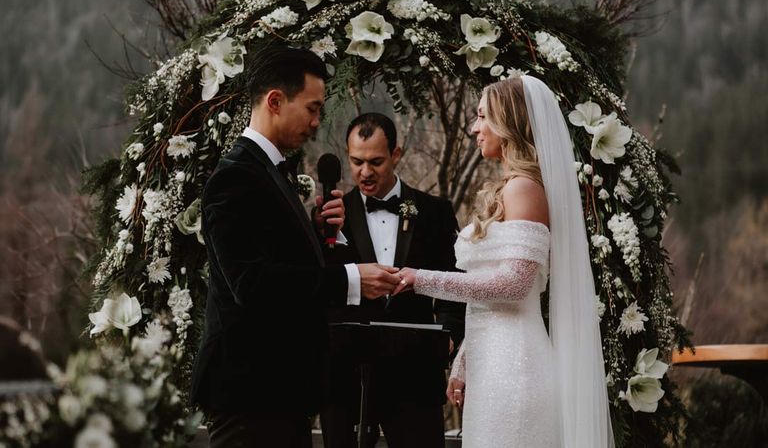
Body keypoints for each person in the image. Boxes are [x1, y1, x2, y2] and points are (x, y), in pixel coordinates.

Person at [190, 45, 403, 448]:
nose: (317, 122)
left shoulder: (266, 170)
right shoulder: (236, 176)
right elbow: (252, 285)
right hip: (250, 394)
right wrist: (351, 279)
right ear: (275, 101)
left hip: (278, 393)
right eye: (312, 108)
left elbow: (276, 260)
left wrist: (316, 232)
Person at [396, 76, 614, 447]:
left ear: (508, 123)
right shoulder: (513, 186)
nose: (474, 128)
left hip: (516, 371)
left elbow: (514, 286)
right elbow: (490, 294)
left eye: (482, 116)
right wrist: (465, 359)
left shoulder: (524, 189)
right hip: (493, 368)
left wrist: (421, 280)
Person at [320, 113, 465, 448]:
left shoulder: (434, 212)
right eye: (356, 162)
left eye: (376, 162)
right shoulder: (332, 215)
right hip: (346, 377)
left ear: (396, 155)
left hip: (414, 375)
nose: (365, 172)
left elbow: (453, 283)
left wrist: (447, 337)